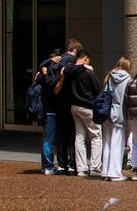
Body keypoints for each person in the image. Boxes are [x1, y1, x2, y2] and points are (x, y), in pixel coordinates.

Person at [63, 49, 102, 177]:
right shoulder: (88, 72)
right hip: (87, 107)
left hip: (74, 106)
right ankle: (95, 167)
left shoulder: (70, 71)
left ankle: (81, 168)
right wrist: (91, 71)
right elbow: (97, 89)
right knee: (96, 136)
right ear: (85, 59)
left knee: (79, 137)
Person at [52, 38, 82, 175]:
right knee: (71, 134)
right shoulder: (71, 62)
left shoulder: (56, 61)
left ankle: (62, 164)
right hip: (69, 101)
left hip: (58, 102)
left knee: (61, 135)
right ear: (75, 50)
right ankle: (71, 164)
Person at [101, 56, 132, 181]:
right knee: (117, 143)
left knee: (107, 143)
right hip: (119, 114)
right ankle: (114, 172)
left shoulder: (110, 77)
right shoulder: (128, 79)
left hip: (107, 112)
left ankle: (105, 171)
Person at [37, 49, 63, 175]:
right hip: (50, 110)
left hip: (48, 110)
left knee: (48, 139)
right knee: (49, 140)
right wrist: (46, 65)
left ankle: (45, 166)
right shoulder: (47, 74)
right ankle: (48, 166)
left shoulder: (45, 72)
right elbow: (47, 82)